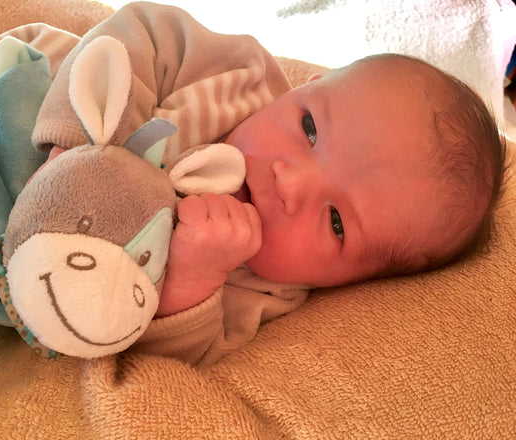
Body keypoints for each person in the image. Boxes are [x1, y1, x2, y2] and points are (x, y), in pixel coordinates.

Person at [31, 2, 506, 366]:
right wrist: (81, 141)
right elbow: (141, 31)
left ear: (349, 282)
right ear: (303, 87)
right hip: (32, 110)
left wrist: (191, 282)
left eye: (336, 222)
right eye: (309, 129)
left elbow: (169, 357)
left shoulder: (263, 292)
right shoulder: (240, 76)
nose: (290, 182)